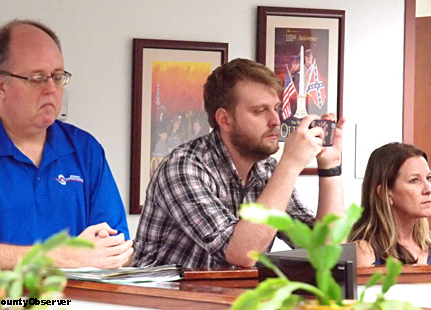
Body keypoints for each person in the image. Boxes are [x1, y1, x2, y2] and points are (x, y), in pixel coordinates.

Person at [0, 19, 133, 272]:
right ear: (1, 84)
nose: (51, 89)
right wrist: (61, 257)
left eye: (57, 77)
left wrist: (105, 253)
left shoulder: (85, 149)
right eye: (36, 78)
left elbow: (119, 248)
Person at [133, 58, 345, 269]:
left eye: (276, 108)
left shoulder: (267, 170)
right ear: (224, 119)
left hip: (230, 299)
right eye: (260, 111)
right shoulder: (183, 168)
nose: (276, 120)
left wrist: (330, 167)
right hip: (163, 300)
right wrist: (290, 164)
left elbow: (326, 251)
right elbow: (242, 254)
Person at [349, 142, 431, 266]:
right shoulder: (364, 251)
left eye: (428, 178)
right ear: (384, 193)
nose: (429, 189)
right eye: (414, 180)